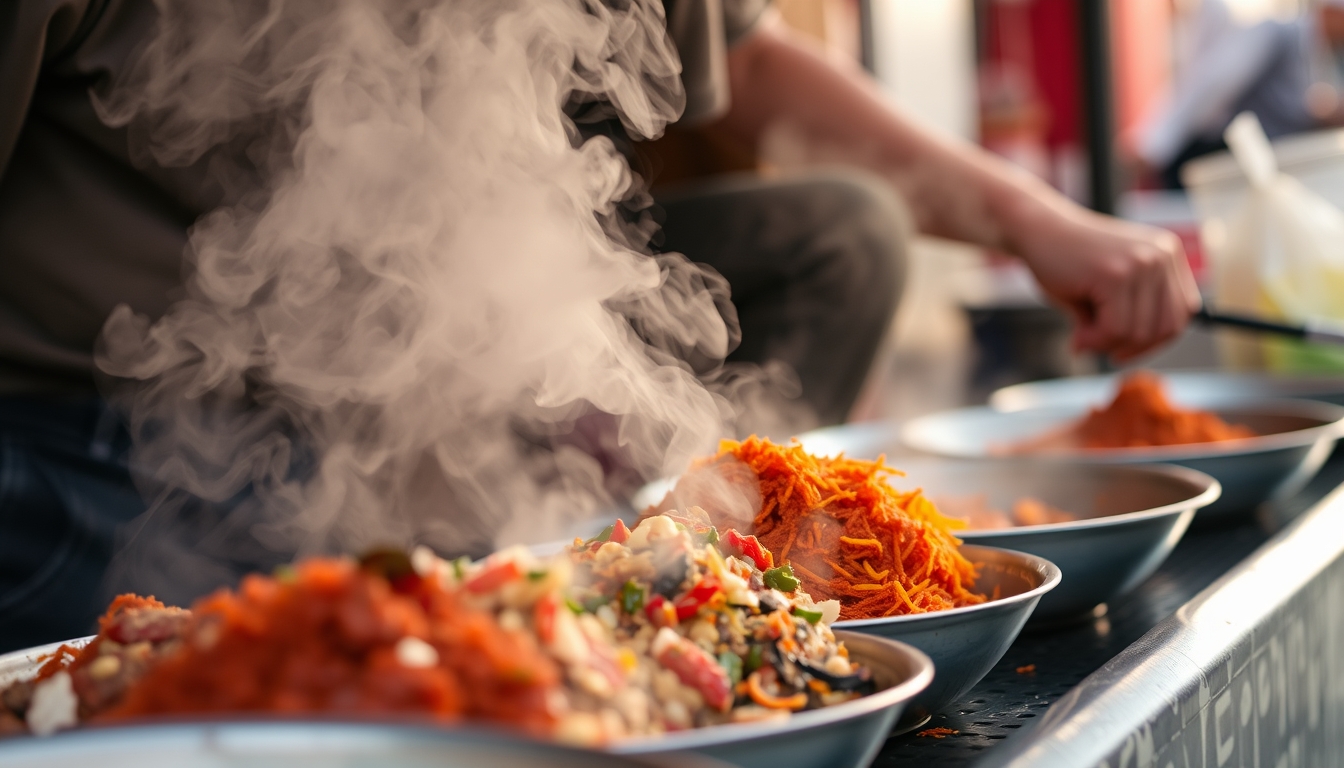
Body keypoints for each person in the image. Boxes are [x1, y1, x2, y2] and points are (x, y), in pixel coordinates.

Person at [0, 0, 1198, 652]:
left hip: (431, 393)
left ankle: (669, 568)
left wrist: (1030, 218)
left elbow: (744, 53)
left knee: (840, 232)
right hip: (106, 442)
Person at [1136, 0, 1344, 188]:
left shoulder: (1326, 54)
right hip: (1223, 165)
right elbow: (1211, 83)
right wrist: (1153, 145)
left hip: (1267, 174)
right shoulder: (1276, 34)